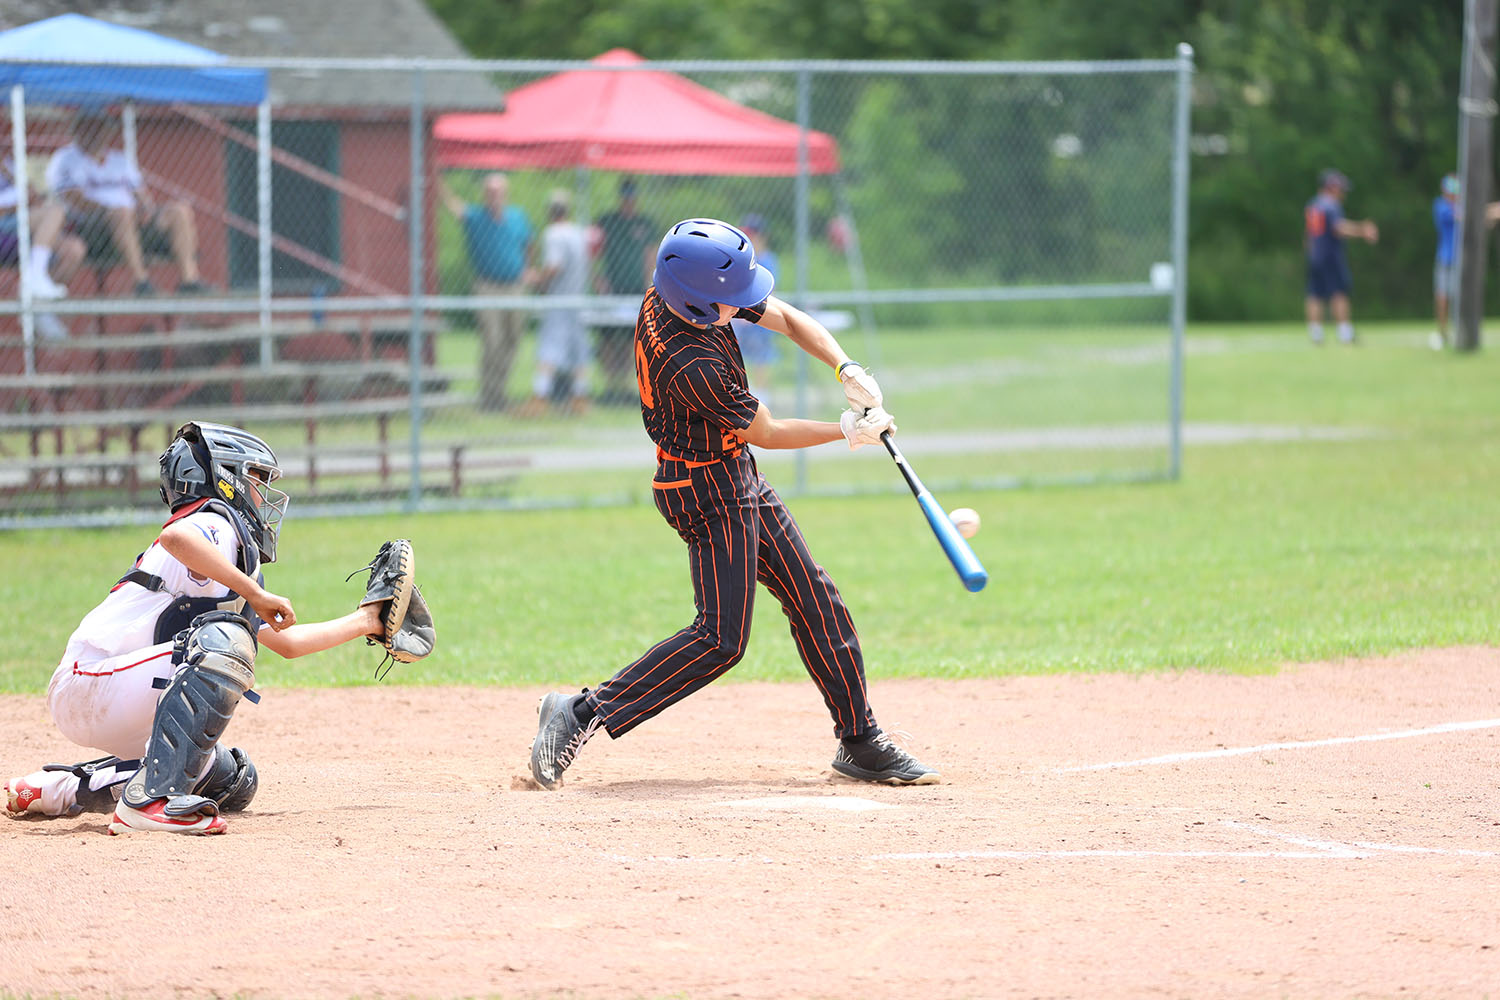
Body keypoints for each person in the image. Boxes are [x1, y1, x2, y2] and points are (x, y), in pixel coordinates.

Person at [528, 218, 940, 791]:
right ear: (698, 305)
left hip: (731, 472)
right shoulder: (691, 363)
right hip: (702, 490)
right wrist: (848, 429)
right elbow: (767, 431)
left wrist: (847, 368)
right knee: (721, 639)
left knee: (815, 597)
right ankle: (578, 712)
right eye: (730, 301)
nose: (744, 307)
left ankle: (860, 741)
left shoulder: (681, 293)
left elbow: (789, 318)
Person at [4, 421, 396, 835]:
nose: (263, 494)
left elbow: (290, 643)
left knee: (231, 780)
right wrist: (255, 596)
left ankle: (60, 788)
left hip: (116, 692)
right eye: (256, 479)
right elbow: (176, 537)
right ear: (224, 479)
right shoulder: (214, 522)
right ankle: (149, 803)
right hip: (91, 681)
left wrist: (368, 620)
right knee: (224, 643)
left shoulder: (227, 554)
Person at [46, 110, 208, 296]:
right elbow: (73, 198)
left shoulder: (119, 160)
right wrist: (111, 209)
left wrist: (146, 208)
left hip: (132, 220)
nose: (95, 133)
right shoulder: (65, 158)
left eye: (100, 128)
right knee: (120, 213)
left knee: (179, 210)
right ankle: (142, 282)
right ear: (78, 130)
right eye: (89, 127)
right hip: (91, 227)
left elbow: (140, 192)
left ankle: (189, 280)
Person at [438, 171, 534, 411]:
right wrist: (437, 181)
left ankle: (500, 391)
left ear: (505, 194)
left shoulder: (517, 217)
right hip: (487, 287)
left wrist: (527, 269)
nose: (494, 196)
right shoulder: (475, 217)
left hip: (514, 287)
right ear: (484, 195)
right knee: (493, 340)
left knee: (513, 339)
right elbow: (453, 206)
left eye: (498, 192)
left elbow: (529, 242)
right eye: (490, 192)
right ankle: (489, 396)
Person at [518, 189, 591, 417]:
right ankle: (579, 397)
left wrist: (537, 279)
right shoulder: (578, 234)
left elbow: (554, 266)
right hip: (578, 300)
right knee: (578, 351)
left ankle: (540, 398)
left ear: (550, 211)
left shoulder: (553, 234)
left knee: (549, 350)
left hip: (559, 301)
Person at [1, 152, 86, 339]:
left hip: (23, 225)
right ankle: (34, 278)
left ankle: (39, 310)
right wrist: (18, 205)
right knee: (55, 212)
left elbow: (32, 196)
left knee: (74, 249)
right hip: (4, 227)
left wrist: (12, 177)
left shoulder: (9, 166)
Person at [593, 177, 656, 404]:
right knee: (609, 338)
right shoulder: (607, 221)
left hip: (635, 291)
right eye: (625, 198)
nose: (628, 202)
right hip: (612, 290)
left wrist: (649, 286)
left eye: (631, 198)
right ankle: (611, 383)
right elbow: (593, 251)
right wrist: (598, 278)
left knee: (635, 339)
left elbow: (650, 255)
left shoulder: (644, 223)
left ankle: (629, 386)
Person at [1303, 168, 1377, 345]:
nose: (1343, 192)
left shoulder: (1313, 205)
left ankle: (1316, 333)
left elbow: (1308, 235)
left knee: (1314, 294)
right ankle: (1344, 332)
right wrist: (1362, 230)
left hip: (1315, 256)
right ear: (1331, 187)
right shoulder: (1331, 205)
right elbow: (1339, 227)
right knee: (1339, 292)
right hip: (1331, 256)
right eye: (1340, 188)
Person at [729, 214, 781, 398]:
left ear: (761, 236)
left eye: (752, 235)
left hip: (757, 316)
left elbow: (769, 291)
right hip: (737, 316)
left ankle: (761, 396)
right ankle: (735, 393)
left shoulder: (767, 260)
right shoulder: (739, 258)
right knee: (732, 354)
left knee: (761, 356)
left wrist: (752, 314)